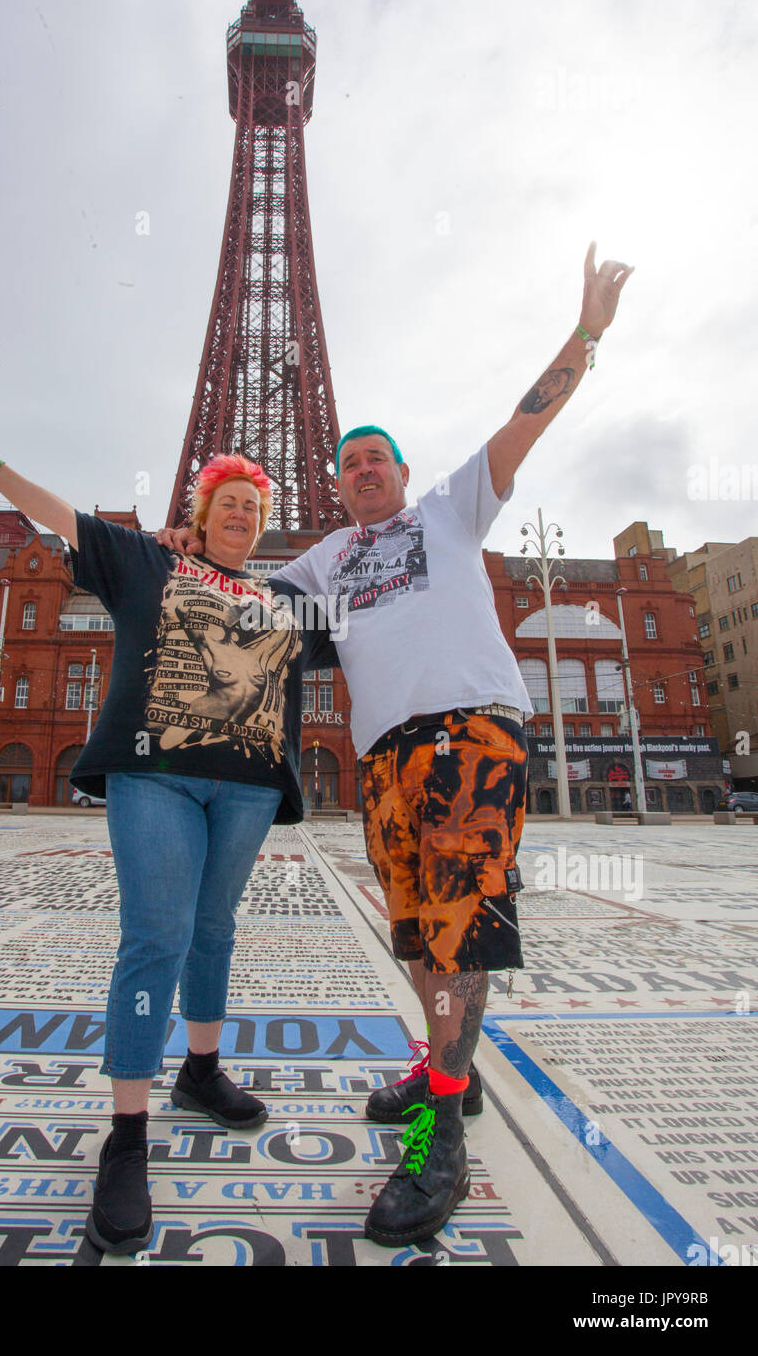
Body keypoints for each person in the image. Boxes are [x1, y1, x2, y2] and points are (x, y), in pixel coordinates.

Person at [157, 242, 634, 1247]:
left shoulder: (452, 508)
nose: (363, 468)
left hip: (470, 737)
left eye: (376, 457)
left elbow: (527, 420)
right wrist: (177, 550)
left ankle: (445, 1138)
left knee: (462, 927)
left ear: (402, 473)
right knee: (415, 930)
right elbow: (242, 605)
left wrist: (586, 332)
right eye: (350, 462)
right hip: (382, 760)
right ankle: (439, 1062)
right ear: (335, 486)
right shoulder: (327, 558)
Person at [0, 442, 335, 1255]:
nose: (240, 514)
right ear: (198, 518)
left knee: (213, 929)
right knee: (155, 937)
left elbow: (373, 628)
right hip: (156, 774)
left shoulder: (285, 600)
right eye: (227, 502)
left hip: (248, 785)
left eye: (253, 507)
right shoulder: (146, 560)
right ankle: (128, 1131)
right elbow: (65, 518)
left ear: (262, 528)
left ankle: (200, 1070)